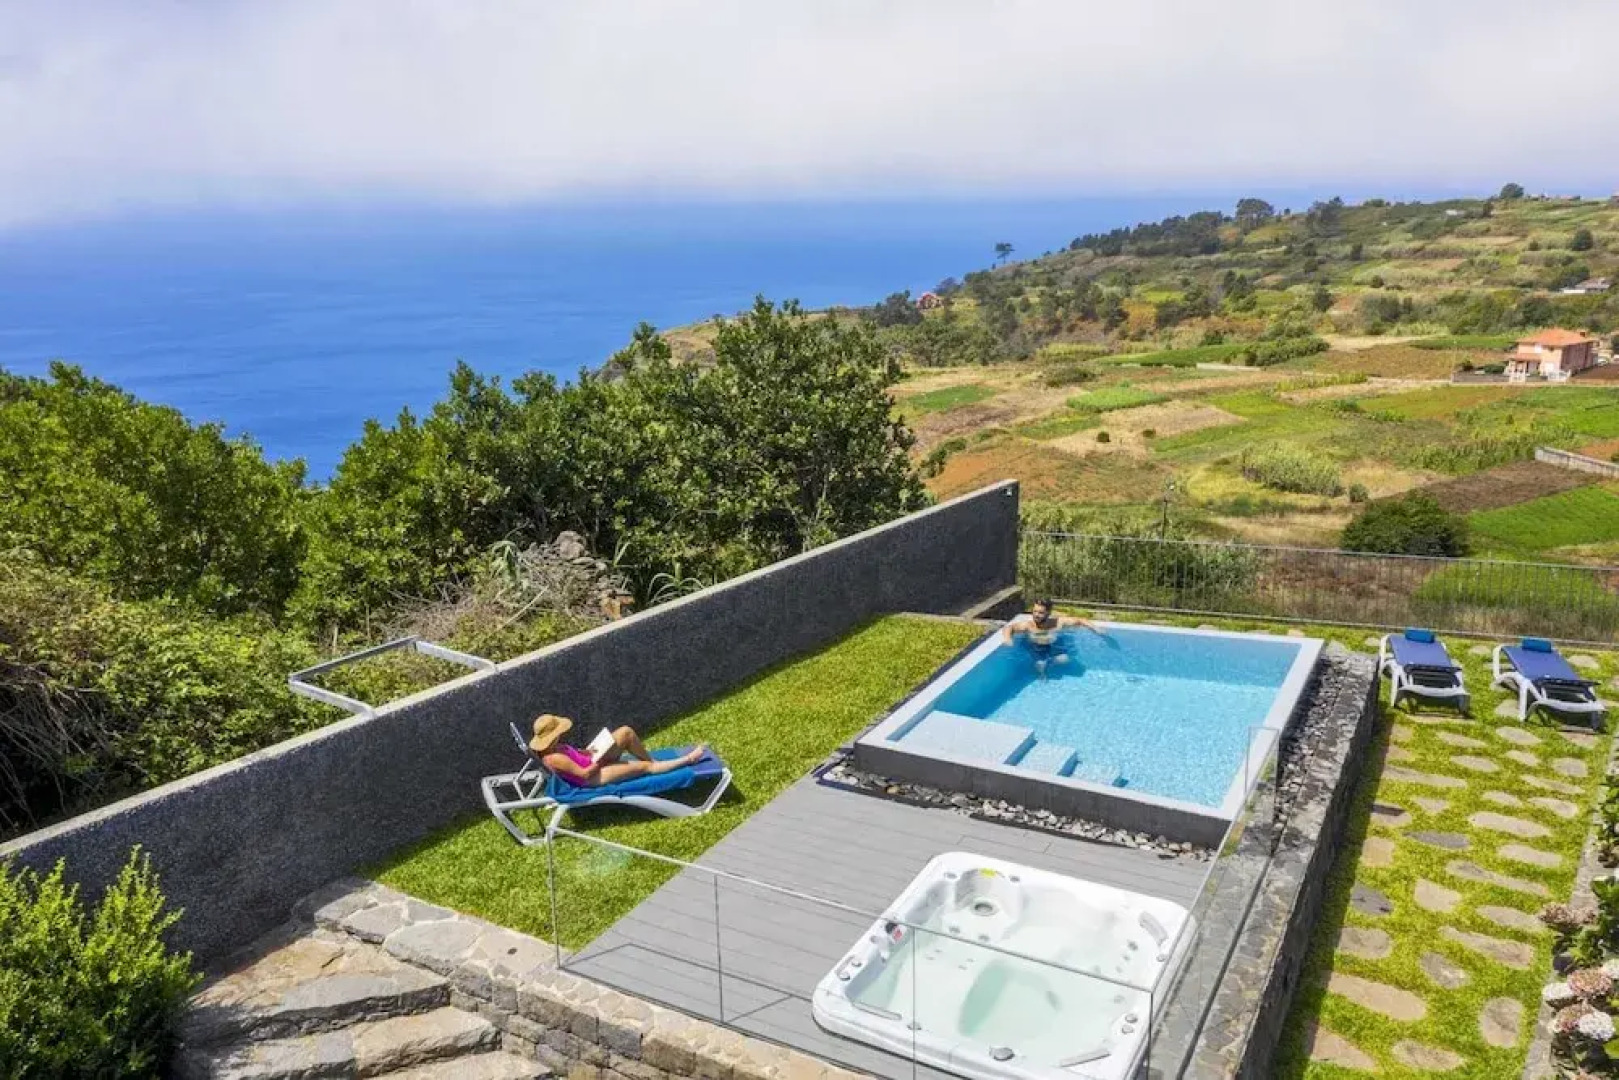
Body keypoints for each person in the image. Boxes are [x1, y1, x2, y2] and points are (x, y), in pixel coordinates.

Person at [528, 713, 707, 787]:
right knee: (644, 767)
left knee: (625, 733)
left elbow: (574, 756)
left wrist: (587, 752)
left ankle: (654, 762)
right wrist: (603, 759)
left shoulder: (555, 747)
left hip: (593, 762)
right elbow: (584, 774)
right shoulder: (553, 758)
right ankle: (689, 759)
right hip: (593, 777)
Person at [1001, 599, 1101, 675]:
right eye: (1034, 611)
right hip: (1036, 647)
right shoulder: (1028, 625)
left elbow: (1080, 620)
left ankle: (1051, 663)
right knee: (1040, 665)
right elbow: (1009, 628)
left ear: (1048, 613)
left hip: (1053, 645)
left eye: (1040, 613)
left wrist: (1096, 629)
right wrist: (1008, 640)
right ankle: (1042, 676)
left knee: (1064, 659)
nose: (1036, 615)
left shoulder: (1058, 623)